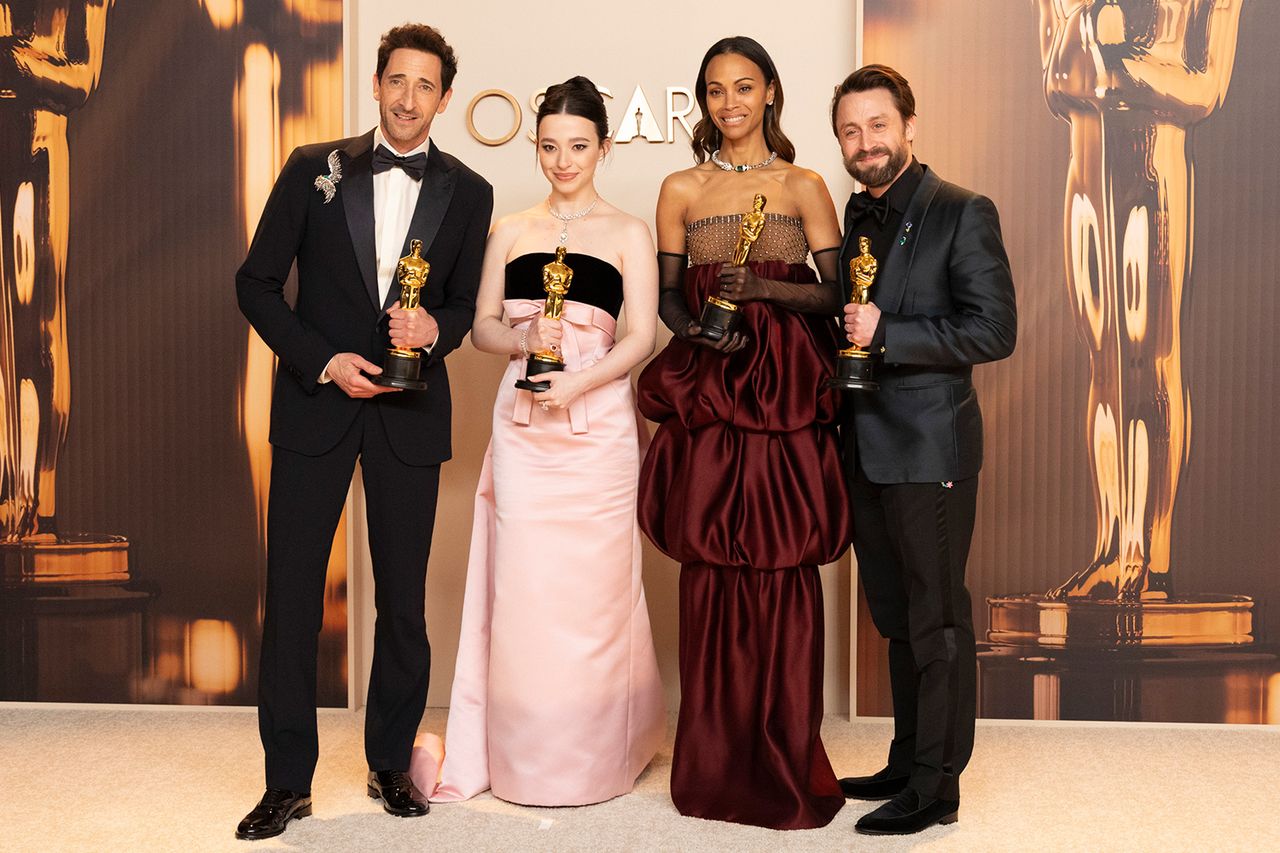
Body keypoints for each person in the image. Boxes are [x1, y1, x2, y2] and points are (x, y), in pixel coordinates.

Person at [233, 23, 492, 840]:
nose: (409, 98)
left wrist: (436, 332)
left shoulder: (471, 190)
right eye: (397, 81)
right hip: (316, 405)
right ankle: (286, 783)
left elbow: (462, 307)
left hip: (410, 416)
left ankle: (389, 764)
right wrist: (323, 360)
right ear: (376, 85)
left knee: (405, 602)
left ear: (444, 98)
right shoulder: (315, 167)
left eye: (426, 86)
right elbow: (257, 284)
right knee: (294, 600)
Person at [408, 76, 665, 806]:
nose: (562, 160)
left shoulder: (627, 232)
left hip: (599, 431)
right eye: (549, 146)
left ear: (604, 148)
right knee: (523, 589)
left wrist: (581, 383)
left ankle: (596, 752)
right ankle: (522, 752)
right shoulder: (512, 228)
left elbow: (643, 336)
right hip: (522, 431)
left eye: (578, 146)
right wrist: (523, 335)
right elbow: (482, 325)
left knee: (596, 592)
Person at [636, 36, 851, 830]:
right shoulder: (679, 188)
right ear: (705, 99)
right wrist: (701, 331)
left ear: (770, 94)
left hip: (786, 401)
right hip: (716, 398)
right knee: (713, 566)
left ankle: (787, 752)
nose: (730, 102)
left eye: (745, 87)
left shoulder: (803, 184)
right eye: (716, 89)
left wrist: (762, 285)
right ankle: (715, 759)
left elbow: (835, 299)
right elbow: (666, 298)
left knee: (785, 562)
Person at [830, 64, 1016, 836]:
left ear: (909, 126)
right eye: (850, 130)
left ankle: (939, 786)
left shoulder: (962, 210)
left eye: (878, 126)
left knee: (937, 620)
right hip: (867, 448)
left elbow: (993, 330)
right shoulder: (856, 215)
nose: (865, 142)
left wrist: (890, 336)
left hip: (930, 448)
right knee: (897, 618)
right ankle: (908, 758)